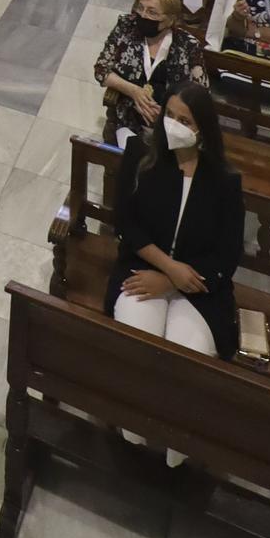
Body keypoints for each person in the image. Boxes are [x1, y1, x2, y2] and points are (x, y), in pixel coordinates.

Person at [105, 84, 244, 366]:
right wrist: (168, 269)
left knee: (184, 361)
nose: (173, 126)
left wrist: (173, 283)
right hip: (142, 269)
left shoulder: (224, 181)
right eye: (169, 115)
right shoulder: (140, 154)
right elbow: (125, 222)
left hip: (199, 286)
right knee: (138, 350)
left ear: (201, 130)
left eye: (184, 121)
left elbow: (227, 254)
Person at [94, 0, 203, 139]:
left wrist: (169, 114)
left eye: (152, 12)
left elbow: (200, 93)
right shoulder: (126, 27)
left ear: (170, 19)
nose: (143, 15)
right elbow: (101, 70)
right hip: (127, 119)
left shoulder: (188, 45)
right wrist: (133, 91)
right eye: (140, 8)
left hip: (170, 126)